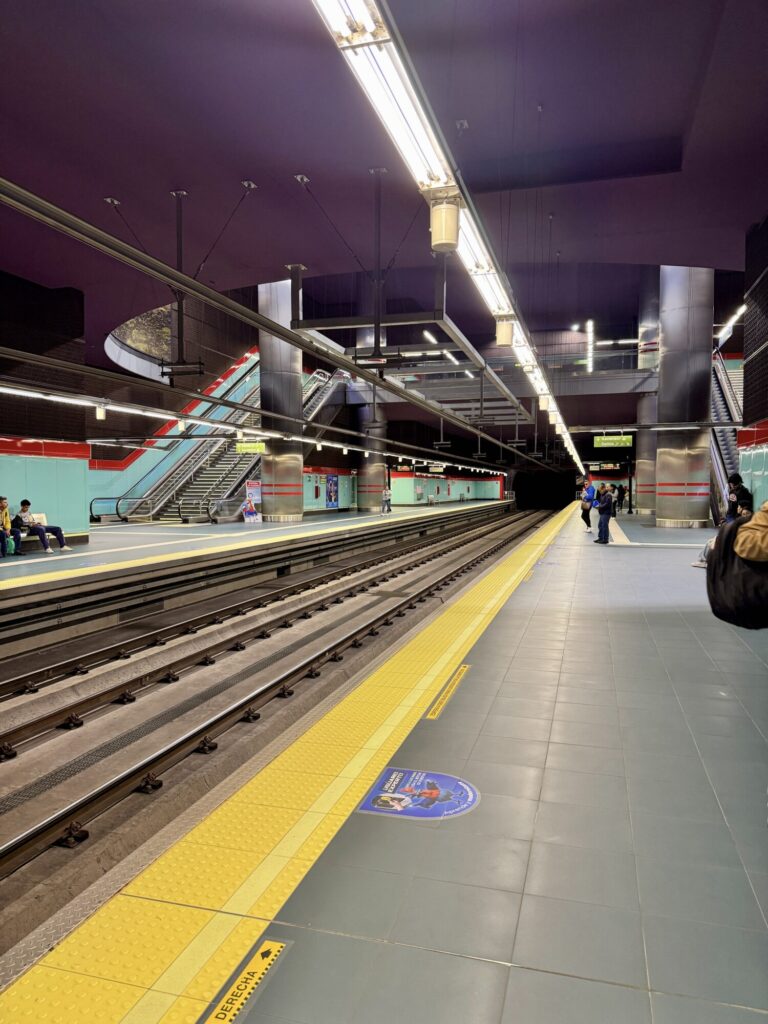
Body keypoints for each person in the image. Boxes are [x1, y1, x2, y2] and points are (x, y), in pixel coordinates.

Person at [693, 498, 754, 568]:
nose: (745, 516)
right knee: (711, 541)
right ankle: (703, 560)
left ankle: (706, 561)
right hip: (734, 540)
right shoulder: (740, 521)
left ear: (752, 514)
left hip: (736, 544)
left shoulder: (750, 524)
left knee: (713, 543)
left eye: (747, 514)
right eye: (744, 514)